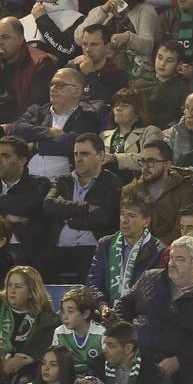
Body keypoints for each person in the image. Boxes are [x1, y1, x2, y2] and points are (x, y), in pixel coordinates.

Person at [114, 236, 193, 384]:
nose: (171, 263)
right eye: (171, 258)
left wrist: (178, 360)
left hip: (180, 367)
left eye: (179, 259)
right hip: (136, 355)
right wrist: (124, 341)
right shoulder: (149, 278)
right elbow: (123, 307)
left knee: (188, 381)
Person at [41, 133, 120, 284]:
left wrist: (67, 218)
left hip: (92, 249)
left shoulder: (111, 182)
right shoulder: (63, 180)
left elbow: (104, 218)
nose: (78, 159)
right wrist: (85, 207)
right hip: (59, 249)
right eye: (76, 154)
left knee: (91, 270)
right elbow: (49, 205)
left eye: (84, 154)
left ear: (101, 156)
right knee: (39, 263)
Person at [8, 64, 99, 183]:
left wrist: (36, 146)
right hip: (27, 182)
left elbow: (72, 143)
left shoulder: (87, 116)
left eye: (60, 85)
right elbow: (16, 128)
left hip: (62, 185)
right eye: (52, 84)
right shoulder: (37, 111)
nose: (53, 88)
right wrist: (48, 132)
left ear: (77, 92)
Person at [86, 192, 163, 313]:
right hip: (104, 312)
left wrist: (124, 312)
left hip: (138, 316)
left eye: (131, 216)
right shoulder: (106, 244)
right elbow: (93, 282)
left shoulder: (158, 250)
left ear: (146, 222)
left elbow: (154, 293)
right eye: (122, 214)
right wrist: (102, 305)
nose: (124, 220)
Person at [0, 267, 57, 384]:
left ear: (31, 292)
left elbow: (44, 349)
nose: (12, 291)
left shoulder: (45, 318)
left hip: (26, 371)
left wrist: (23, 360)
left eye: (18, 286)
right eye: (9, 285)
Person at [0, 136, 52, 268]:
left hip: (31, 255)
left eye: (5, 156)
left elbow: (22, 205)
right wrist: (6, 218)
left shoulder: (40, 184)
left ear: (22, 161)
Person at [0, 16, 57, 123]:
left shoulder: (40, 63)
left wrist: (11, 128)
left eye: (5, 37)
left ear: (20, 39)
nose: (0, 42)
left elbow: (34, 107)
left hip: (24, 126)